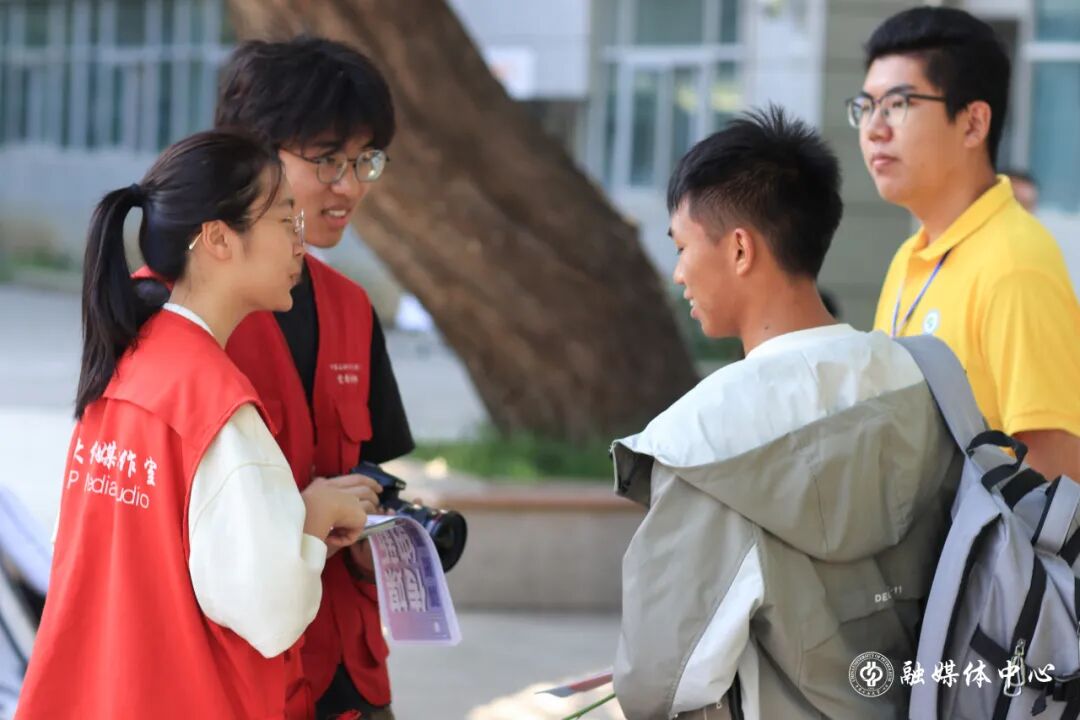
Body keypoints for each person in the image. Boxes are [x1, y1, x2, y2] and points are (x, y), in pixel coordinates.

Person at [611, 107, 959, 719]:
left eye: (683, 246)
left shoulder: (704, 441)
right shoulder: (929, 382)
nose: (679, 273)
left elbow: (658, 684)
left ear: (740, 248)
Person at [16, 130, 373, 718]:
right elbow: (271, 613)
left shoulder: (125, 367)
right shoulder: (218, 407)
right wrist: (311, 517)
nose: (301, 244)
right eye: (286, 220)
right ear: (218, 239)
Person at [218, 38, 413, 720]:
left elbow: (371, 465)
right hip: (240, 674)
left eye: (365, 160)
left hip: (348, 673)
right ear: (251, 156)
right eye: (327, 159)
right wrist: (303, 515)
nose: (350, 186)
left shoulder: (351, 307)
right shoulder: (183, 314)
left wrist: (383, 530)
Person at [852, 6, 1080, 480]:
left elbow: (1058, 475)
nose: (874, 128)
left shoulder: (1015, 263)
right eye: (866, 106)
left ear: (973, 123)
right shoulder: (909, 257)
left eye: (898, 104)